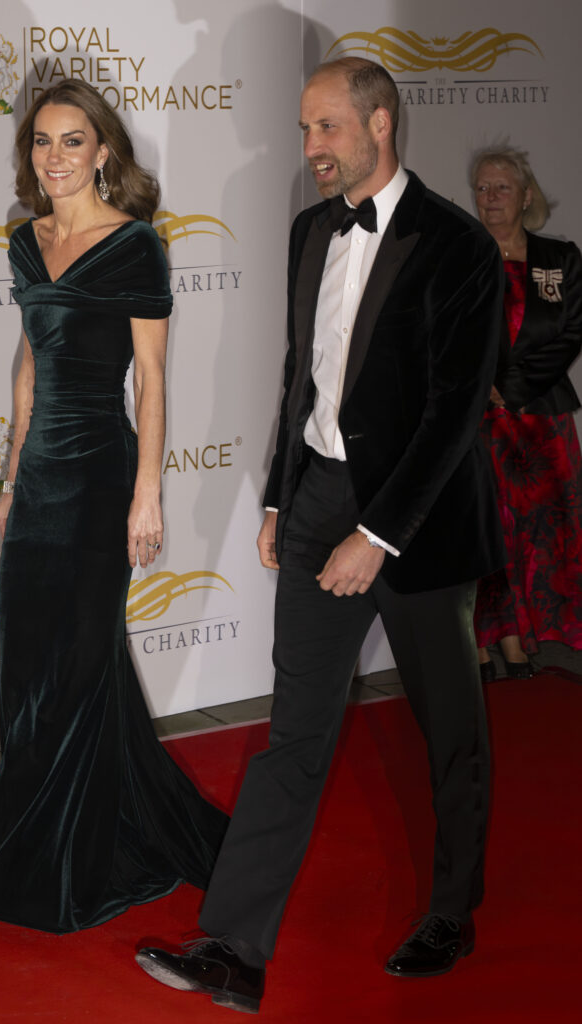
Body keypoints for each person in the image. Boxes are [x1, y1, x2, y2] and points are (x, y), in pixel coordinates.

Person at [135, 57, 504, 1013]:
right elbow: (302, 374)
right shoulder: (311, 229)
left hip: (418, 523)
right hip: (317, 504)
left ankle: (452, 912)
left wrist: (376, 533)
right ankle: (234, 949)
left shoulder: (458, 246)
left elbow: (453, 415)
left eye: (326, 127)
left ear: (381, 123)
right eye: (304, 130)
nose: (311, 149)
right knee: (295, 732)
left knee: (450, 733)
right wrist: (277, 499)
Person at [0, 80, 228, 934]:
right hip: (38, 483)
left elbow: (152, 381)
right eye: (42, 141)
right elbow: (29, 363)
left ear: (103, 151)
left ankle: (71, 856)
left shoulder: (135, 246)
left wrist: (148, 496)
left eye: (72, 141)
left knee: (79, 665)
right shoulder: (25, 241)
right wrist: (10, 480)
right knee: (30, 666)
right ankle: (54, 834)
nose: (55, 157)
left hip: (102, 479)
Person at [471, 148, 582, 681]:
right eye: (481, 188)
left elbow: (571, 333)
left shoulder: (559, 258)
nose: (490, 198)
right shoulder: (463, 257)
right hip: (482, 424)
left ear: (526, 195)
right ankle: (492, 642)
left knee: (546, 534)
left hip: (543, 421)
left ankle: (533, 637)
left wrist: (509, 388)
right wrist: (485, 389)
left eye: (502, 188)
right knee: (492, 532)